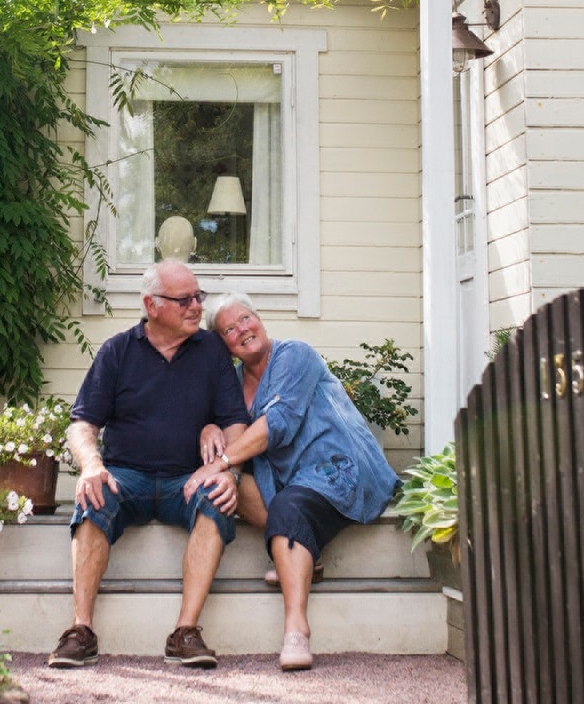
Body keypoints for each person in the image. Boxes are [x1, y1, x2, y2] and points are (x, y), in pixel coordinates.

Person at [46, 259, 251, 670]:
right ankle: (80, 630)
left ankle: (185, 632)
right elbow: (82, 424)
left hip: (187, 479)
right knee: (93, 493)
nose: (196, 306)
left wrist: (229, 471)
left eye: (198, 297)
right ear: (152, 305)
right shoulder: (118, 351)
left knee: (219, 496)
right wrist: (90, 465)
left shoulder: (211, 350)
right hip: (127, 476)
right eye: (185, 300)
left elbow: (234, 422)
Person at [186, 293, 401, 672]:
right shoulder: (233, 382)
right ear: (224, 345)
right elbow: (226, 422)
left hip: (338, 466)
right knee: (229, 487)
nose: (242, 330)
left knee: (287, 505)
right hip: (290, 483)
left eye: (246, 318)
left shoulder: (294, 355)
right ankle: (305, 553)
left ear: (259, 319)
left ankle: (296, 630)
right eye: (230, 329)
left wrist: (221, 461)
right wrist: (208, 427)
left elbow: (278, 422)